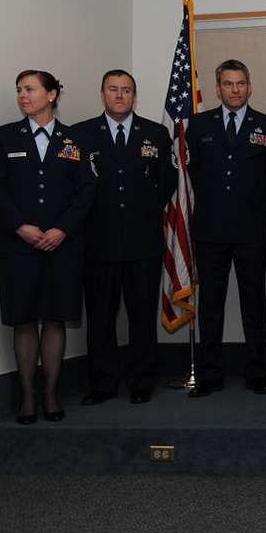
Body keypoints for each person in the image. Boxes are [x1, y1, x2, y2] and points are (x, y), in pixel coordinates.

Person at [0, 70, 96, 424]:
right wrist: (20, 227)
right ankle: (28, 394)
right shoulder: (1, 137)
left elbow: (88, 189)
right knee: (25, 320)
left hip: (63, 246)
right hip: (19, 247)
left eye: (29, 89)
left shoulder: (77, 139)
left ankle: (51, 392)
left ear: (51, 95)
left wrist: (62, 228)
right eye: (18, 90)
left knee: (56, 318)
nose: (22, 96)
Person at [72, 70, 176, 406]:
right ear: (102, 94)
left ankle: (142, 381)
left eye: (127, 90)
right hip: (98, 241)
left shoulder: (156, 134)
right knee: (101, 316)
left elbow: (167, 181)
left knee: (142, 315)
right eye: (113, 90)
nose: (120, 96)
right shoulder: (80, 134)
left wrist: (142, 211)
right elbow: (75, 186)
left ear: (135, 95)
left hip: (142, 241)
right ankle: (102, 383)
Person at [185, 59, 266, 397]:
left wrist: (247, 204)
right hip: (210, 230)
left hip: (250, 230)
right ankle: (210, 375)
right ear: (218, 88)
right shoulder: (197, 126)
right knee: (210, 305)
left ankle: (257, 372)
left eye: (241, 83)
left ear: (250, 86)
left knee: (253, 302)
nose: (235, 89)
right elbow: (194, 173)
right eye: (228, 84)